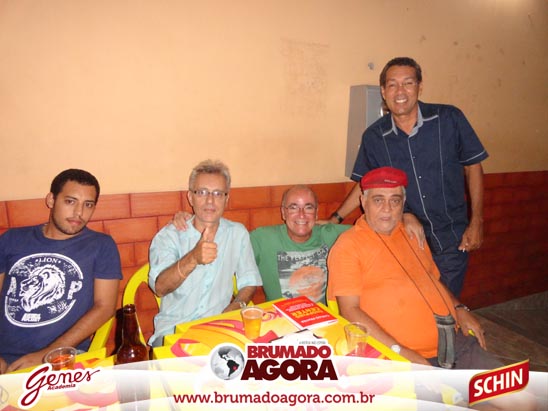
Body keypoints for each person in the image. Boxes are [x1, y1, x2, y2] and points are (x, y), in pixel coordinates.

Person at [328, 57, 488, 296]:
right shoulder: (375, 136)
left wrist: (477, 222)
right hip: (405, 237)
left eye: (408, 83)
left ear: (419, 87)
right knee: (412, 302)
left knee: (445, 304)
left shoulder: (449, 119)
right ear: (383, 91)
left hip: (452, 238)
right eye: (392, 85)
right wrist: (335, 218)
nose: (400, 91)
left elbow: (473, 166)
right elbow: (365, 183)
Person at [328, 167, 497, 369]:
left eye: (395, 201)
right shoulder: (349, 245)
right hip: (399, 355)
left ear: (403, 204)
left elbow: (433, 280)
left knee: (512, 388)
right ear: (364, 202)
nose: (387, 208)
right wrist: (401, 352)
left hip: (453, 340)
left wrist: (459, 308)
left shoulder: (412, 233)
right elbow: (349, 311)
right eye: (378, 200)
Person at [0, 169, 122, 373]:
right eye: (70, 201)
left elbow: (105, 307)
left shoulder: (101, 245)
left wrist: (49, 354)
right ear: (51, 200)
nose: (79, 213)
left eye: (88, 205)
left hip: (63, 358)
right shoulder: (12, 239)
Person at [148, 160, 262, 347]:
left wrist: (237, 305)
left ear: (226, 199)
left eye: (218, 193)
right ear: (190, 197)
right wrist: (193, 257)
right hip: (173, 332)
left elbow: (249, 281)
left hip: (220, 328)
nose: (210, 201)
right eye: (202, 192)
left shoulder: (237, 233)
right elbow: (160, 288)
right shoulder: (170, 236)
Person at [250, 185, 349, 304]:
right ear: (283, 212)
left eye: (308, 208)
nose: (301, 215)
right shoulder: (262, 239)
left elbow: (366, 229)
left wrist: (336, 218)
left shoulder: (330, 234)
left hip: (324, 315)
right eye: (293, 207)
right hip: (279, 315)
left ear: (316, 213)